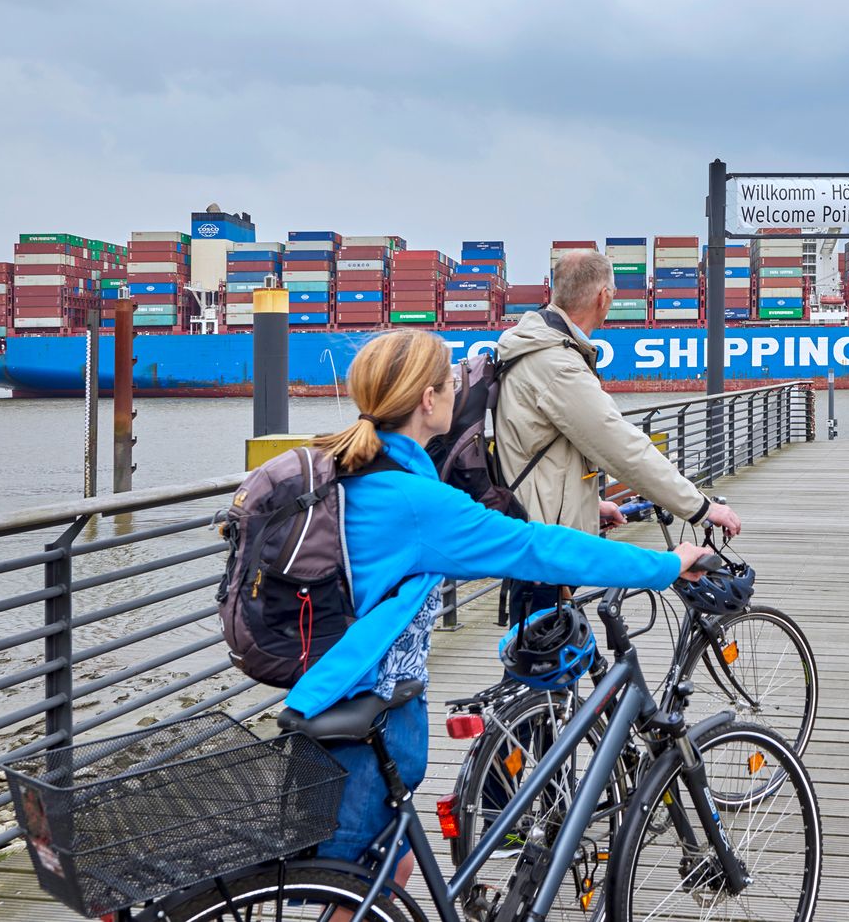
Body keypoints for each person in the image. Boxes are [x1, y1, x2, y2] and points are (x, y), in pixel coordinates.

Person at [286, 329, 715, 889]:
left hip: (328, 693)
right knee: (354, 883)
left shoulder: (350, 469)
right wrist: (663, 566)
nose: (462, 394)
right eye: (452, 384)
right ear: (428, 401)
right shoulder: (418, 503)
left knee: (387, 869)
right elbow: (537, 547)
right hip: (377, 714)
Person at [494, 249, 742, 614]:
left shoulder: (538, 349)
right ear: (603, 297)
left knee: (556, 662)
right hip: (544, 554)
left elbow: (540, 449)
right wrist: (700, 507)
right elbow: (622, 448)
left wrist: (588, 505)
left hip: (540, 538)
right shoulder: (556, 364)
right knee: (545, 666)